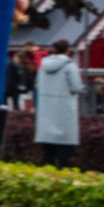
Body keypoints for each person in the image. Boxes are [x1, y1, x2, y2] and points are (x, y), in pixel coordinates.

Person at [33, 38, 86, 167]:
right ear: (68, 50)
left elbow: (38, 83)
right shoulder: (70, 65)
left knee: (47, 153)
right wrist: (83, 88)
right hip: (64, 109)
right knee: (64, 151)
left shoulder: (43, 65)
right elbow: (76, 87)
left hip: (46, 109)